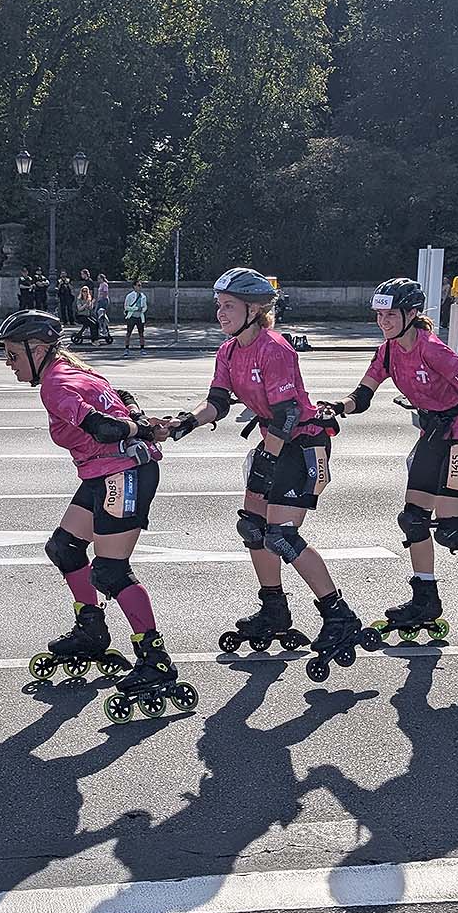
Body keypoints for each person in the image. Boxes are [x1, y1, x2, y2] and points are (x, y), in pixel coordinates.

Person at [153, 266, 371, 670]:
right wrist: (183, 423)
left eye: (228, 306)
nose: (220, 313)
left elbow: (287, 415)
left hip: (301, 444)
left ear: (254, 310)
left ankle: (339, 616)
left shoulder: (275, 349)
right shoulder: (229, 351)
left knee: (282, 536)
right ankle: (274, 609)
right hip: (274, 443)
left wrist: (267, 461)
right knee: (252, 529)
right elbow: (217, 401)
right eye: (219, 305)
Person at [0, 308, 193, 719]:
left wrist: (141, 429)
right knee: (65, 548)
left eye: (13, 355)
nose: (9, 363)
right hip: (106, 471)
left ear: (38, 350)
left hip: (124, 473)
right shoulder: (77, 370)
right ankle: (91, 628)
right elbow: (124, 397)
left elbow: (104, 427)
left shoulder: (56, 384)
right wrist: (142, 422)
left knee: (110, 571)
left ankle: (155, 659)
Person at [337, 276, 458, 650]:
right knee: (412, 519)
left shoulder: (432, 349)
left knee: (448, 528)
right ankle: (425, 599)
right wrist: (339, 407)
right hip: (433, 435)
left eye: (390, 315)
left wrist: (452, 408)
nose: (383, 322)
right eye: (379, 315)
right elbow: (362, 394)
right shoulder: (387, 352)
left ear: (412, 314)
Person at [124, 279, 148, 349]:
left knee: (141, 334)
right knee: (128, 333)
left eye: (140, 286)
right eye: (138, 285)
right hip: (132, 317)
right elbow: (126, 307)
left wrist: (142, 310)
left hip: (140, 317)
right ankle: (126, 348)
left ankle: (142, 348)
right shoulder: (129, 296)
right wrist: (136, 309)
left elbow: (145, 306)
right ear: (134, 286)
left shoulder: (143, 296)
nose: (140, 287)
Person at [94, 271, 111, 341]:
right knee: (97, 313)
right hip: (100, 300)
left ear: (102, 278)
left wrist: (101, 299)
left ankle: (103, 328)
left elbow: (105, 293)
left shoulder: (104, 284)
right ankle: (101, 326)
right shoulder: (101, 285)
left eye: (99, 278)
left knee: (101, 314)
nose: (98, 280)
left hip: (103, 300)